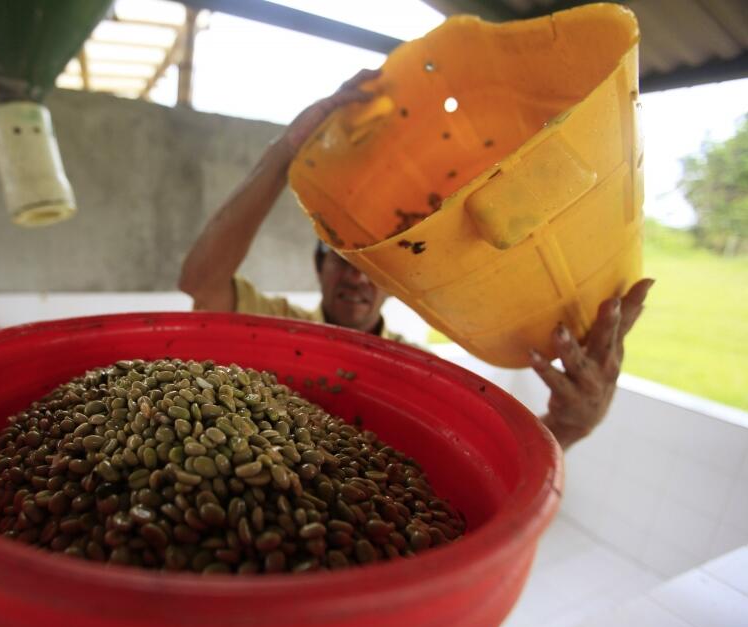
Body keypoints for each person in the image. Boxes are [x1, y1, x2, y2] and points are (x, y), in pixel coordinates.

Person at [179, 69, 655, 450]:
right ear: (318, 266)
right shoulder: (276, 326)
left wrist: (568, 426)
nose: (356, 279)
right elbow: (202, 281)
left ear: (395, 284)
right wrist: (284, 152)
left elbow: (486, 454)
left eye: (373, 271)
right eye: (342, 261)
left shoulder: (414, 367)